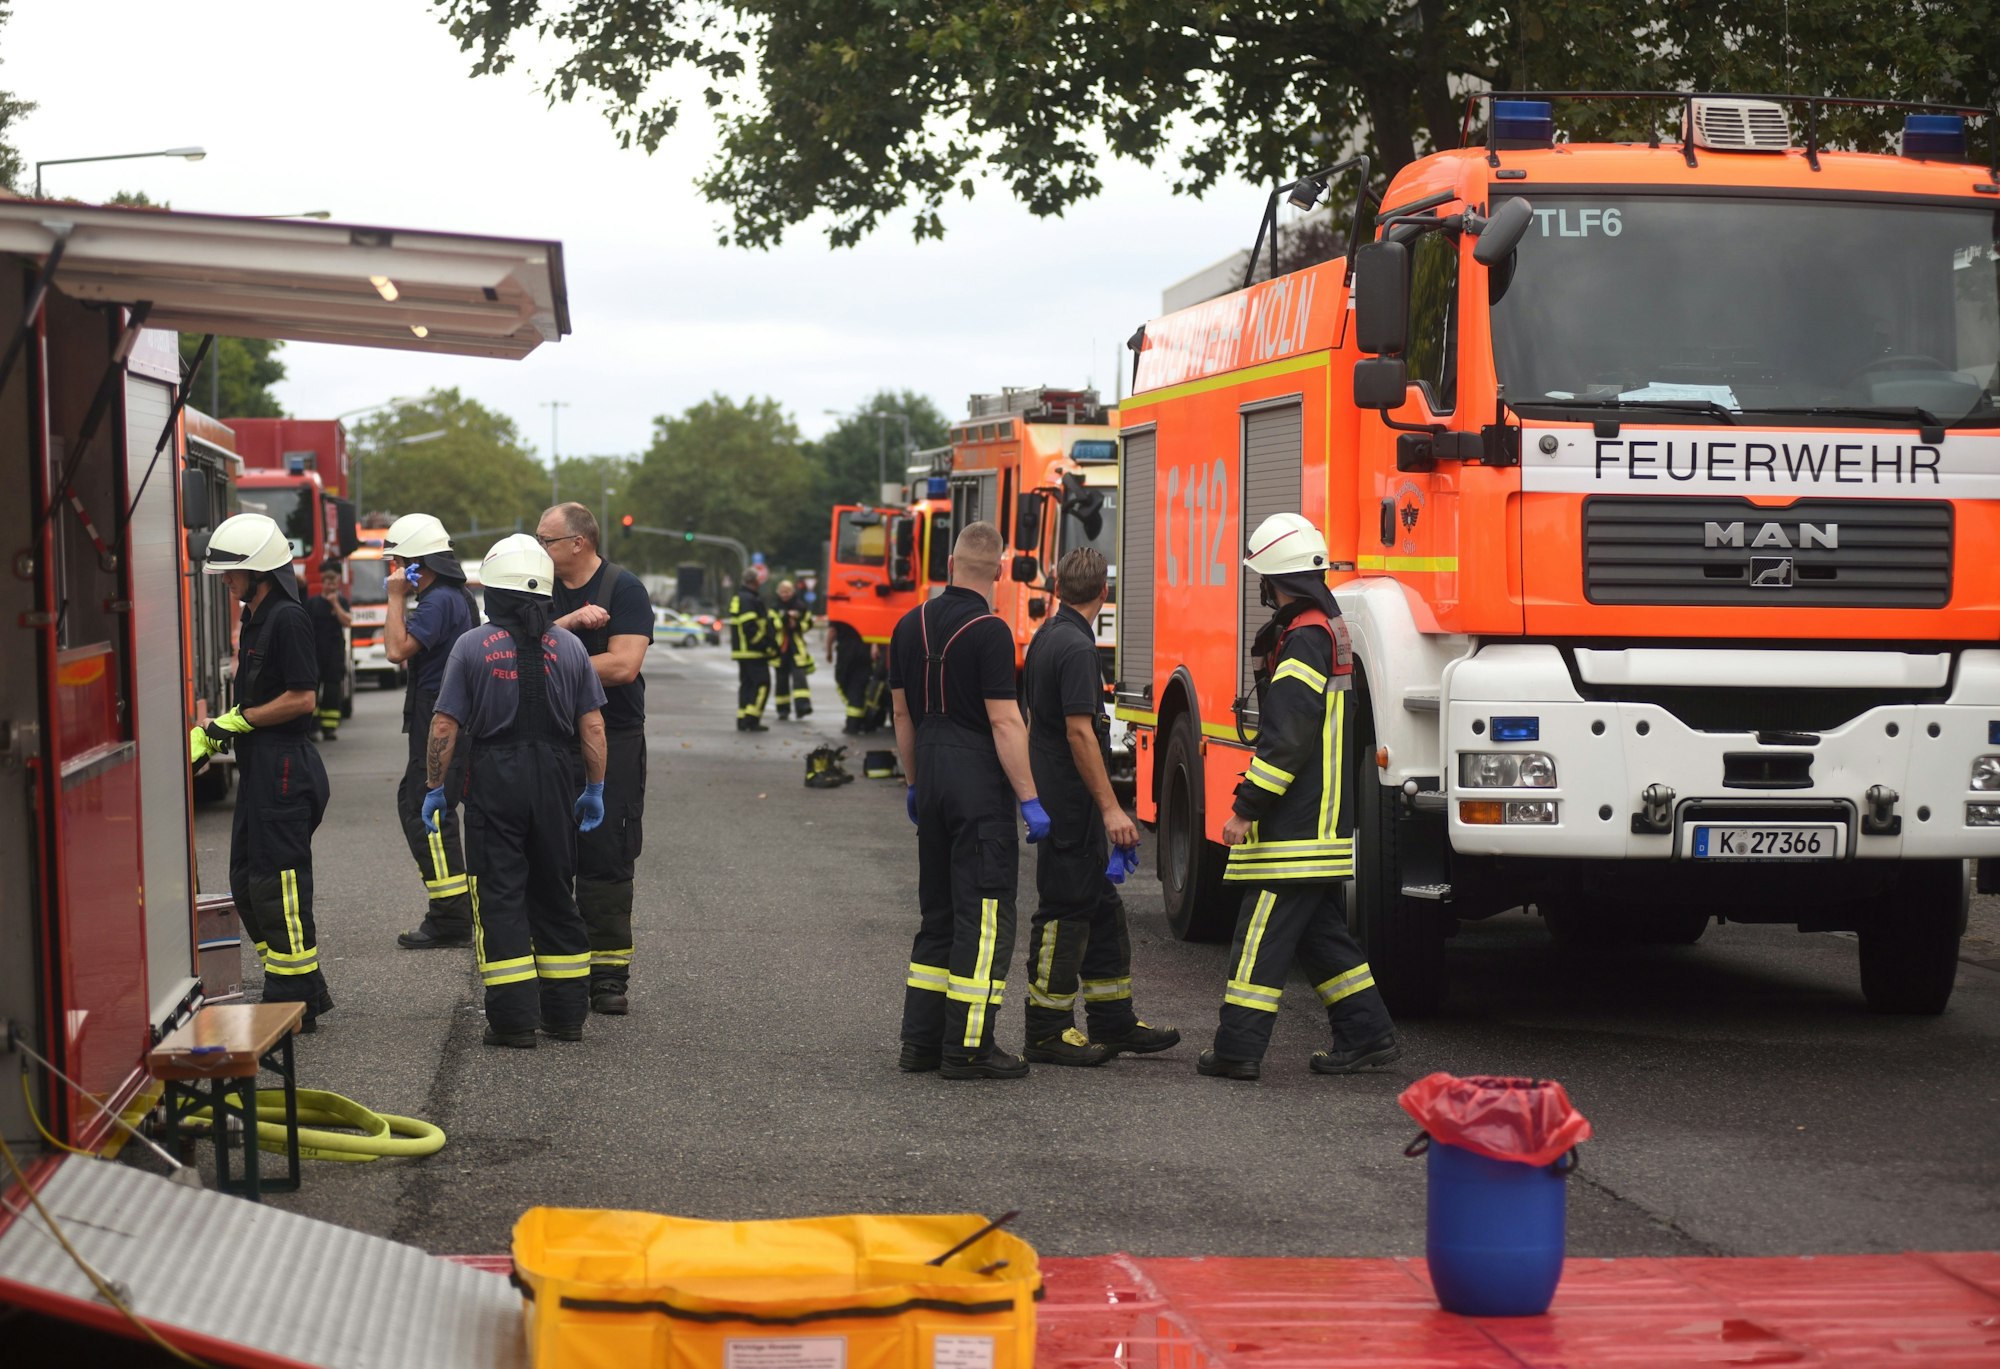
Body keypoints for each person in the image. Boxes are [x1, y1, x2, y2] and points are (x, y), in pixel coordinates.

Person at [1198, 513, 1400, 1081]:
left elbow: (1286, 742)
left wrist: (1244, 810)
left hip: (1296, 827)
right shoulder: (1324, 630)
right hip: (1321, 819)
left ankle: (1237, 1050)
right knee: (1322, 938)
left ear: (1272, 580)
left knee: (1257, 937)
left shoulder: (1303, 639)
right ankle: (1368, 1035)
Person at [427, 534, 608, 1048]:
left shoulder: (471, 646)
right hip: (555, 778)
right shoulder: (570, 646)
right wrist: (594, 788)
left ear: (497, 593)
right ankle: (567, 1017)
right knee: (555, 892)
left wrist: (434, 788)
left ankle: (512, 1023)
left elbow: (444, 726)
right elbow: (592, 729)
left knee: (501, 896)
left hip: (494, 779)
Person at [889, 521, 1049, 1080]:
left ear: (950, 563)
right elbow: (1005, 721)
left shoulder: (909, 626)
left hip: (930, 777)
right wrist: (1029, 798)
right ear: (1000, 571)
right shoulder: (990, 630)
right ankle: (969, 1047)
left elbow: (902, 714)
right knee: (983, 919)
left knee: (937, 915)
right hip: (977, 783)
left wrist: (913, 782)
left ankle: (921, 1044)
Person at [1020, 548, 1180, 1066]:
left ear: (1056, 586)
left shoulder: (1048, 636)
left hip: (1062, 800)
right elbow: (1079, 732)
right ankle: (1046, 1030)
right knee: (1066, 911)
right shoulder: (1076, 649)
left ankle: (1114, 1021)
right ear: (1103, 593)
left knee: (1102, 908)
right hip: (1072, 805)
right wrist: (1113, 810)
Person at [188, 513, 334, 1030]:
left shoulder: (287, 619)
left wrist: (235, 721)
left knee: (280, 883)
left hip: (285, 769)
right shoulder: (256, 614)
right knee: (248, 884)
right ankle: (302, 988)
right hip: (260, 768)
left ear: (259, 570)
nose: (226, 581)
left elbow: (302, 699)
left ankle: (289, 998)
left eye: (231, 572)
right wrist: (215, 735)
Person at [538, 503, 656, 1015]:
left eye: (547, 540)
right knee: (548, 854)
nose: (540, 548)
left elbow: (625, 665)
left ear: (578, 543)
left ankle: (608, 978)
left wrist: (552, 660)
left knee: (607, 855)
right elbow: (512, 646)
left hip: (616, 737)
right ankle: (559, 971)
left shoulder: (623, 589)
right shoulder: (536, 585)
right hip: (549, 740)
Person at [381, 513, 482, 950]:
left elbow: (394, 650)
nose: (395, 571)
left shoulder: (440, 600)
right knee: (418, 804)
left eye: (400, 562)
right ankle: (453, 910)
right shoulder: (453, 596)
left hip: (440, 716)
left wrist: (394, 598)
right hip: (443, 712)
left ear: (420, 563)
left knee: (429, 811)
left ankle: (451, 916)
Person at [304, 563, 351, 742]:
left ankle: (329, 728)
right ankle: (312, 728)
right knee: (312, 691)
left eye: (334, 584)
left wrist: (335, 604)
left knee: (332, 692)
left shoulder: (342, 602)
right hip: (315, 653)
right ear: (323, 584)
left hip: (334, 655)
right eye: (328, 584)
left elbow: (347, 621)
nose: (331, 587)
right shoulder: (313, 603)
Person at [728, 563, 776, 732]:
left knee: (747, 685)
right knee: (762, 684)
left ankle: (743, 719)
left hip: (743, 652)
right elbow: (750, 627)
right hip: (754, 652)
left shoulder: (740, 597)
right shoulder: (749, 599)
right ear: (755, 581)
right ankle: (752, 718)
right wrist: (764, 644)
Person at [769, 577, 816, 720]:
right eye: (783, 591)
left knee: (800, 679)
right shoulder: (775, 608)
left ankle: (802, 707)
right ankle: (783, 710)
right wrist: (785, 619)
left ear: (792, 592)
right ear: (778, 593)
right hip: (781, 650)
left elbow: (808, 623)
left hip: (796, 649)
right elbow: (773, 624)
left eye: (788, 591)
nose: (785, 594)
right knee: (781, 681)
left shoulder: (800, 607)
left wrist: (797, 625)